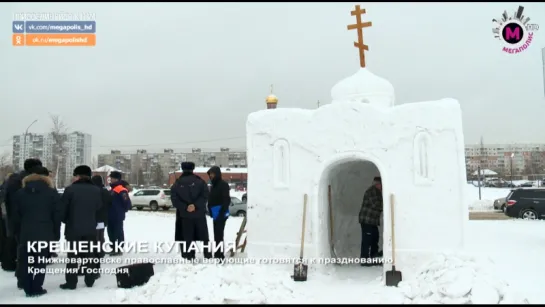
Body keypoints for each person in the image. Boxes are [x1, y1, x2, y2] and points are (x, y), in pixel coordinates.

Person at [11, 166, 62, 297]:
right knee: (40, 261)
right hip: (45, 232)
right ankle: (37, 286)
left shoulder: (20, 193)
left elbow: (14, 216)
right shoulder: (52, 193)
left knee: (26, 261)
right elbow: (57, 216)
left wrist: (16, 233)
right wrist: (56, 235)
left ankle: (28, 288)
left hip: (25, 232)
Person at [59, 165, 102, 290]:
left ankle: (71, 282)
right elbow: (99, 207)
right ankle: (90, 280)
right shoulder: (96, 190)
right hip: (90, 228)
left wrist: (66, 220)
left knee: (73, 256)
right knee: (89, 254)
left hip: (73, 228)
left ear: (77, 176)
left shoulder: (70, 190)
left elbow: (62, 210)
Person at [2, 158, 41, 287]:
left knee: (15, 243)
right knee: (25, 248)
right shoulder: (28, 180)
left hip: (11, 216)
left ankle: (12, 266)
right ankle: (22, 274)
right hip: (25, 218)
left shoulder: (12, 179)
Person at [171, 162, 211, 260]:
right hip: (199, 215)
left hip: (184, 216)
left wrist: (185, 207)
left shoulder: (177, 183)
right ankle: (207, 255)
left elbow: (174, 199)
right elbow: (205, 195)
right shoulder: (200, 181)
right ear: (193, 169)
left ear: (182, 169)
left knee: (186, 237)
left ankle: (188, 256)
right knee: (204, 236)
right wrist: (195, 205)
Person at [206, 166, 231, 259]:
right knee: (216, 235)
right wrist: (209, 208)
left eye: (212, 173)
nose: (211, 175)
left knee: (219, 235)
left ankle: (220, 255)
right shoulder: (213, 185)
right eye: (210, 174)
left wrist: (221, 212)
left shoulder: (223, 184)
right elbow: (211, 198)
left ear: (217, 173)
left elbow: (226, 200)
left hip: (221, 213)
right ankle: (217, 253)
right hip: (215, 213)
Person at [358, 176, 383, 266]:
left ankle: (374, 257)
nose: (381, 186)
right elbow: (376, 204)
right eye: (380, 184)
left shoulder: (378, 192)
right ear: (377, 184)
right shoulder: (372, 191)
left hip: (372, 221)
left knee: (374, 238)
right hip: (367, 219)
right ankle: (364, 260)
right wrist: (386, 205)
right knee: (367, 240)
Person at [91, 175, 111, 278]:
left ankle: (92, 264)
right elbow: (109, 203)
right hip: (102, 219)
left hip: (93, 219)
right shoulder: (105, 191)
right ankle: (101, 252)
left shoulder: (93, 191)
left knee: (93, 240)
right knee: (100, 237)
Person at [107, 171, 131, 256]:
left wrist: (121, 211)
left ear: (116, 179)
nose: (110, 180)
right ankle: (113, 248)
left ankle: (119, 249)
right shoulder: (112, 189)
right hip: (110, 215)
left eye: (112, 178)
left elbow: (127, 203)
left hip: (117, 215)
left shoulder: (121, 189)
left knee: (118, 232)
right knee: (111, 233)